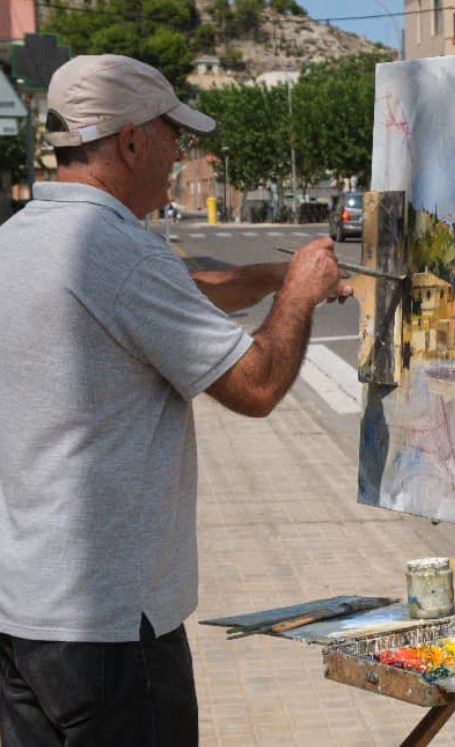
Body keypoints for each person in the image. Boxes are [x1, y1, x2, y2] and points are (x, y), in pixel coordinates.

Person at [0, 54, 351, 747]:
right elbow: (256, 386)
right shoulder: (121, 253)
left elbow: (166, 300)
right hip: (112, 632)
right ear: (130, 142)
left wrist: (268, 273)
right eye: (170, 135)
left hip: (24, 616)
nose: (178, 154)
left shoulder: (20, 240)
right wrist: (299, 293)